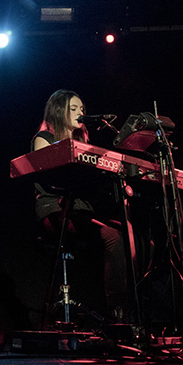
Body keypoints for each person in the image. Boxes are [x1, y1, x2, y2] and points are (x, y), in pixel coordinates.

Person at [31, 89, 130, 323]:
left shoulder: (83, 142)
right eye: (73, 109)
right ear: (59, 111)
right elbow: (49, 178)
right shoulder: (43, 138)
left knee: (133, 236)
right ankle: (118, 312)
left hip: (81, 210)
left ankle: (130, 304)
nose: (80, 113)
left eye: (82, 109)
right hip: (55, 209)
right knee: (114, 237)